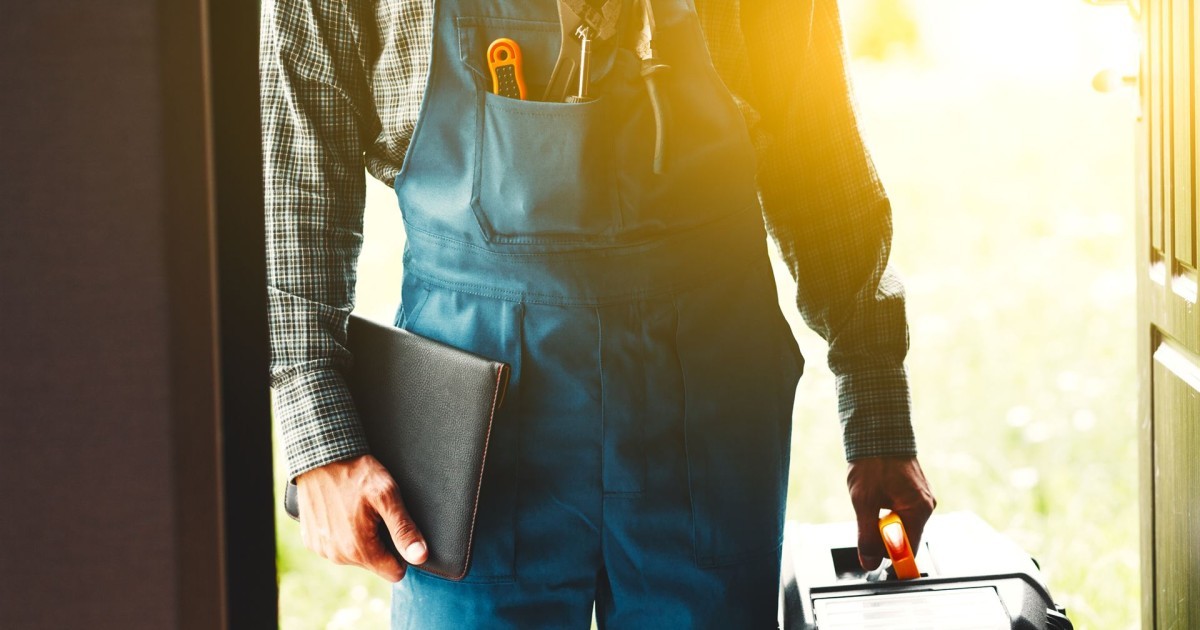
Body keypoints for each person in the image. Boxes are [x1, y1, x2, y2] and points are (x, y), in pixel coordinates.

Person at [261, 0, 937, 627]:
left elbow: (819, 158)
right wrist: (318, 430)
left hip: (707, 414)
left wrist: (877, 407)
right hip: (471, 437)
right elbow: (295, 166)